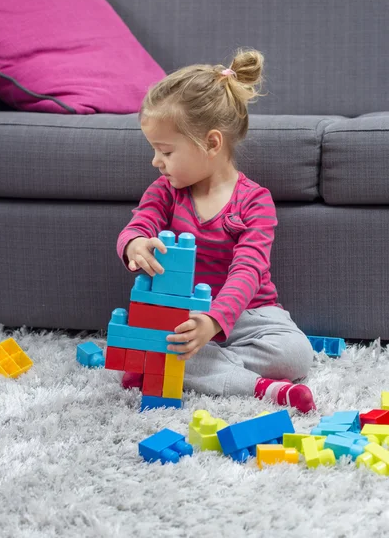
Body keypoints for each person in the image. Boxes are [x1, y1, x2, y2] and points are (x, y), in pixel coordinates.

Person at [116, 48, 316, 414]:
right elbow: (141, 221)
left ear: (211, 143)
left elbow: (249, 270)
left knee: (297, 355)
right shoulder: (165, 192)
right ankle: (263, 389)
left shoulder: (255, 201)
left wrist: (215, 320)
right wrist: (135, 243)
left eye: (165, 151)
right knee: (160, 339)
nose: (155, 162)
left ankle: (172, 367)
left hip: (251, 315)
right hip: (184, 316)